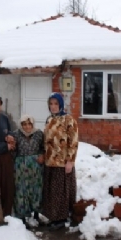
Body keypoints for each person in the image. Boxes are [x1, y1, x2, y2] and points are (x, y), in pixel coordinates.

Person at [43, 92, 78, 230]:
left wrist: (70, 160)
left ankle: (61, 219)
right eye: (51, 104)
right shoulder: (49, 119)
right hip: (49, 161)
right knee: (51, 191)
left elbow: (73, 141)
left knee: (61, 191)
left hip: (62, 162)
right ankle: (53, 217)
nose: (53, 106)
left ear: (61, 104)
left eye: (56, 104)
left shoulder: (68, 120)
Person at [12, 114, 44, 228]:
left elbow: (43, 147)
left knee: (36, 190)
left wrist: (42, 155)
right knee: (22, 191)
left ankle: (36, 215)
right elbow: (13, 151)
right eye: (24, 124)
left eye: (29, 124)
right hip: (20, 168)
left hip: (35, 167)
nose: (27, 127)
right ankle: (22, 217)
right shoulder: (16, 134)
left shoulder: (39, 134)